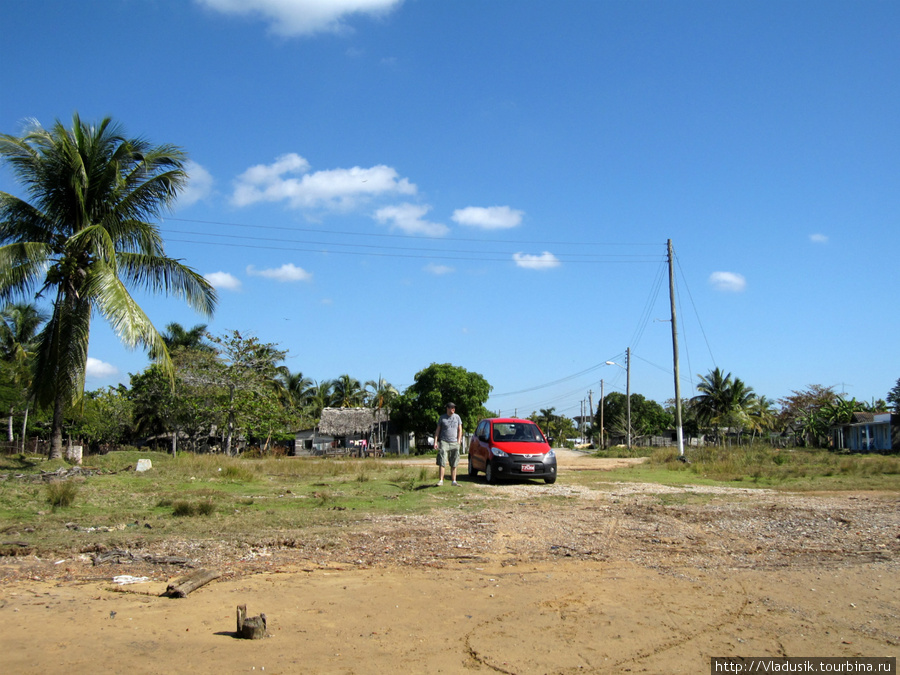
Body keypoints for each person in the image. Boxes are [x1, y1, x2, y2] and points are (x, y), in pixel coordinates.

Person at [433, 402, 462, 486]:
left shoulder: (457, 417)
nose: (453, 409)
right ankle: (441, 480)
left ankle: (454, 481)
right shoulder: (442, 418)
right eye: (451, 408)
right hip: (444, 442)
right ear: (447, 408)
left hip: (454, 442)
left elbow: (460, 429)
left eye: (454, 408)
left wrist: (459, 440)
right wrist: (435, 441)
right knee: (442, 460)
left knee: (454, 461)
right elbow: (438, 430)